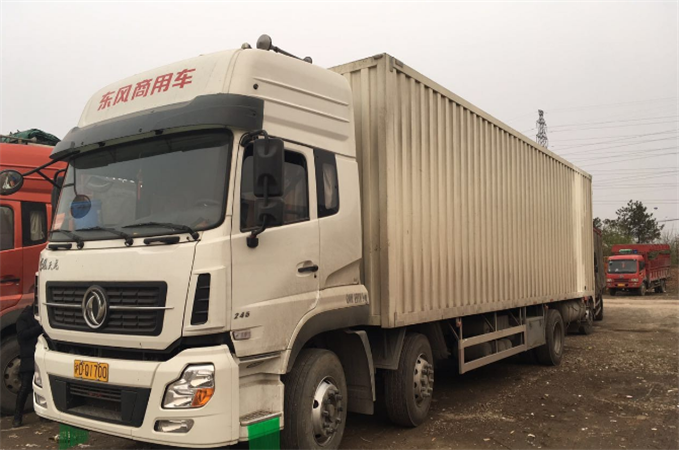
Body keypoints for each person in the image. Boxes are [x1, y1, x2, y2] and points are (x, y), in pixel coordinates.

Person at [13, 305, 42, 428]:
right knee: (25, 386)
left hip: (38, 354)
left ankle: (42, 413)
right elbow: (22, 335)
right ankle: (17, 416)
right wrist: (40, 328)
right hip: (29, 355)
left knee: (41, 385)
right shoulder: (24, 318)